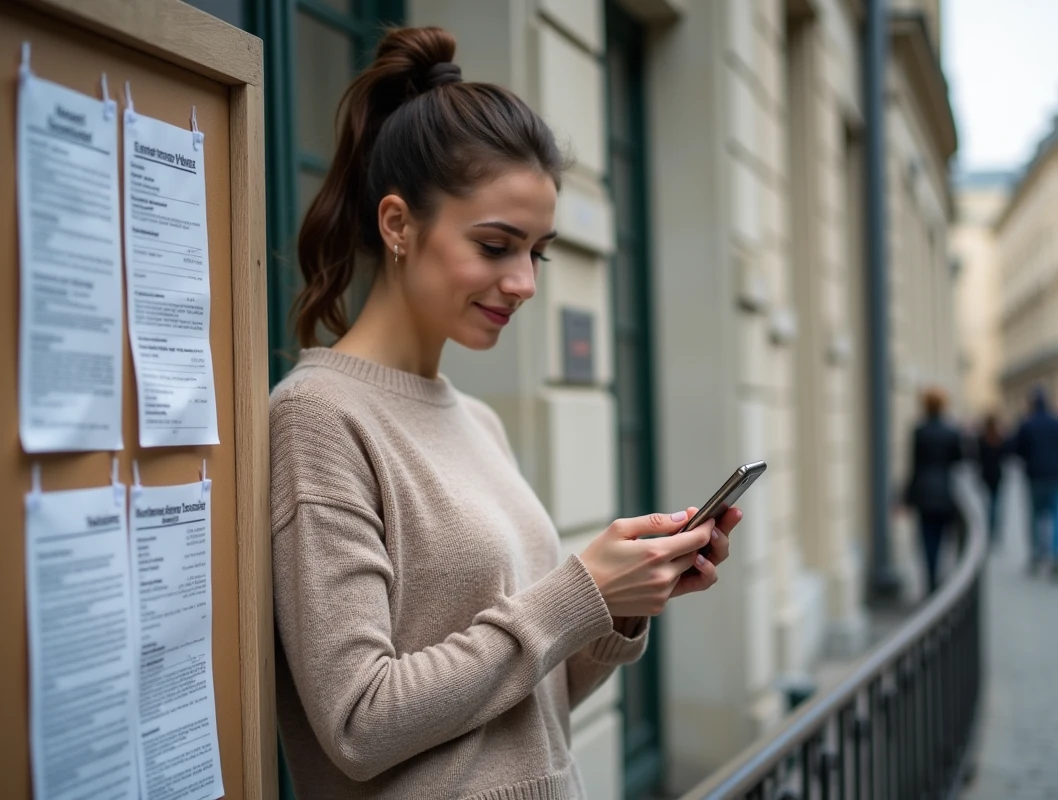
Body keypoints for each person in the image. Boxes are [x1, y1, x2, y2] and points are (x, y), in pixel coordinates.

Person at [269, 28, 743, 799]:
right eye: (496, 246)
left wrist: (615, 609)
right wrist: (577, 593)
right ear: (397, 225)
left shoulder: (476, 420)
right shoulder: (317, 418)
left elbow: (521, 709)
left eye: (538, 252)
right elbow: (358, 721)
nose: (523, 282)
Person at [1010, 386, 1058, 579]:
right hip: (1056, 475)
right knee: (1056, 514)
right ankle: (1057, 556)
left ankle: (1036, 555)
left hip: (1034, 476)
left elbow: (1016, 450)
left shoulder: (1026, 424)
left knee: (1034, 516)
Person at [905, 387, 964, 595]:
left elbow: (914, 466)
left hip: (924, 493)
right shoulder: (951, 432)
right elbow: (960, 459)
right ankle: (938, 579)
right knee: (942, 539)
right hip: (945, 492)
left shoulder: (919, 432)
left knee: (927, 539)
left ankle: (931, 581)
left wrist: (907, 497)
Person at [975, 413, 1007, 547]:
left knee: (986, 503)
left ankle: (988, 526)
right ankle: (994, 528)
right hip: (997, 474)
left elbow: (977, 458)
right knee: (996, 502)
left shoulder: (982, 439)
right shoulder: (999, 439)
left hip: (985, 474)